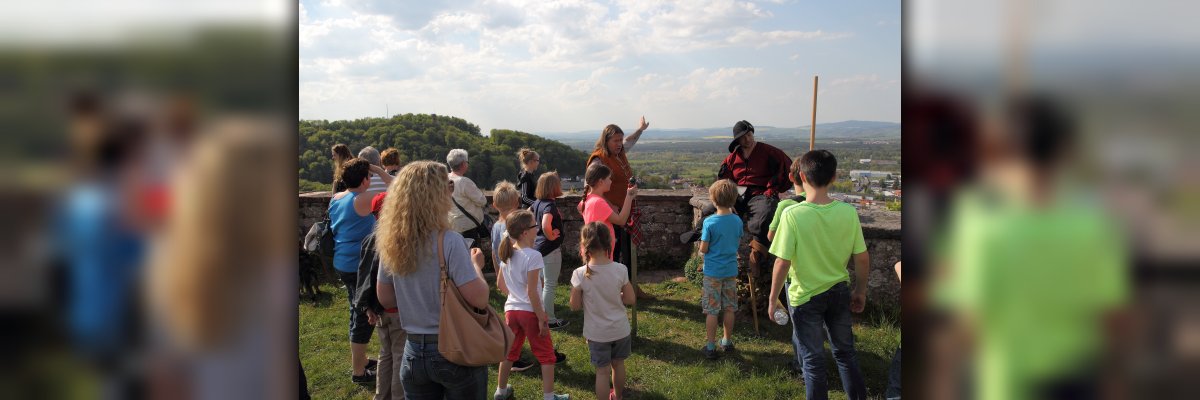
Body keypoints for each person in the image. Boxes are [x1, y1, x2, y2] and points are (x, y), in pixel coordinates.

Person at [375, 161, 490, 399]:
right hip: (454, 345)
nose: (451, 190)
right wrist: (476, 267)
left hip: (413, 348)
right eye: (448, 186)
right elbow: (479, 297)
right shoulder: (449, 240)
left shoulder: (391, 241)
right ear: (435, 195)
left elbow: (385, 298)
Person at [767, 149, 868, 400]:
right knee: (846, 353)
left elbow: (782, 261)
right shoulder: (848, 212)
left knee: (812, 360)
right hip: (839, 290)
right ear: (834, 177)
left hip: (805, 296)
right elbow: (862, 257)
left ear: (801, 175)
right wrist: (860, 291)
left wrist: (772, 299)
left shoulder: (793, 214)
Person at [682, 120, 792, 281]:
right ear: (737, 140)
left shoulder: (770, 152)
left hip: (761, 191)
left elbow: (785, 170)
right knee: (710, 209)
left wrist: (772, 190)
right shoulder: (733, 158)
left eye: (749, 135)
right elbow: (724, 179)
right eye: (743, 137)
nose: (747, 139)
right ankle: (699, 236)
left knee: (765, 213)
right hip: (737, 191)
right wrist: (729, 201)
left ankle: (757, 253)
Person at [493, 211, 571, 400]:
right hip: (530, 312)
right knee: (546, 356)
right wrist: (542, 316)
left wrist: (514, 295)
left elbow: (500, 285)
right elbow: (532, 292)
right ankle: (549, 397)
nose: (537, 229)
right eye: (534, 226)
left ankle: (500, 392)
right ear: (524, 233)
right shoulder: (533, 256)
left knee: (509, 353)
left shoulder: (508, 254)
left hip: (512, 310)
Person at [330, 158, 392, 384]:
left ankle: (362, 359)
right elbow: (395, 187)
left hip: (342, 261)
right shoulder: (364, 199)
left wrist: (369, 170)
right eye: (369, 176)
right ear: (365, 179)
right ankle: (358, 371)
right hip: (359, 265)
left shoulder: (337, 198)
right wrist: (377, 169)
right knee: (365, 316)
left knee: (354, 308)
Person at [586, 117, 651, 299]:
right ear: (606, 140)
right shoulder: (598, 159)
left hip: (625, 210)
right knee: (612, 252)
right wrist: (609, 204)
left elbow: (629, 141)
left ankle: (630, 287)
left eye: (620, 140)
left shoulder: (619, 154)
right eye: (615, 140)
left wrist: (640, 130)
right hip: (609, 215)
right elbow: (591, 186)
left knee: (628, 251)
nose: (620, 144)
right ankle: (613, 290)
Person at [570, 222, 635, 400]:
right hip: (620, 330)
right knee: (618, 364)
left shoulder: (579, 273)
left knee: (602, 372)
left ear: (584, 246)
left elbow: (574, 306)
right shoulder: (621, 269)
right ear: (611, 243)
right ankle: (618, 396)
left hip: (597, 333)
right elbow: (630, 299)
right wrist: (617, 296)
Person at [356, 196, 404, 400]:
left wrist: (366, 306)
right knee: (400, 355)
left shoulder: (368, 239)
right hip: (394, 308)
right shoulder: (394, 241)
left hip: (376, 308)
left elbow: (363, 276)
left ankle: (380, 395)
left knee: (385, 354)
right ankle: (397, 396)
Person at [766, 156, 807, 373]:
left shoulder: (786, 206)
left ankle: (801, 366)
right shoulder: (828, 207)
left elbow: (772, 236)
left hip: (795, 274)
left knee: (799, 325)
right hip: (825, 275)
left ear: (792, 177)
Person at [697, 179, 743, 360]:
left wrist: (702, 248)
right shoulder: (737, 221)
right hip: (730, 270)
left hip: (713, 273)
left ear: (713, 200)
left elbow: (704, 249)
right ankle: (727, 341)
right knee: (730, 308)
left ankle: (710, 346)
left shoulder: (710, 222)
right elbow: (736, 242)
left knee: (712, 310)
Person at [532, 172, 568, 330]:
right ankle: (550, 320)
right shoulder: (549, 206)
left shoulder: (538, 202)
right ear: (553, 187)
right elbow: (547, 224)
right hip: (550, 249)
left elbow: (527, 214)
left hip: (538, 248)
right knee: (550, 284)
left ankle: (538, 315)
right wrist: (551, 236)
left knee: (540, 284)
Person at [578, 164, 636, 258]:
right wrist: (629, 196)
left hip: (593, 251)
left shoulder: (587, 198)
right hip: (601, 254)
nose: (611, 181)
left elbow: (579, 209)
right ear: (601, 181)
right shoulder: (598, 202)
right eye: (609, 178)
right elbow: (621, 220)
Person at [447, 148, 489, 243]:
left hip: (453, 225)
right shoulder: (464, 182)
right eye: (467, 161)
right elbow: (482, 201)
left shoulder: (445, 178)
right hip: (469, 226)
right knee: (472, 252)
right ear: (463, 164)